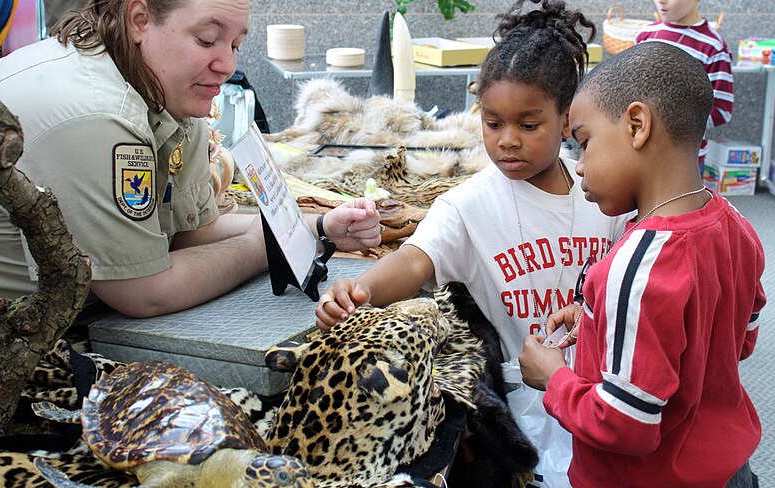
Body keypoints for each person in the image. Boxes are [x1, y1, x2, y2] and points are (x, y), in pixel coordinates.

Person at [0, 0, 381, 317]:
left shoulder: (161, 81)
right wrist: (265, 245)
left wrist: (316, 226)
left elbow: (193, 231)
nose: (228, 65)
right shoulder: (97, 114)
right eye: (207, 39)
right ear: (139, 19)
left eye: (236, 44)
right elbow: (145, 293)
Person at [316, 0, 628, 375]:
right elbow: (415, 261)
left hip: (609, 390)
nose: (507, 140)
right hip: (524, 403)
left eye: (528, 125)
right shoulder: (467, 205)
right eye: (494, 124)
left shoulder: (603, 195)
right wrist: (358, 289)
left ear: (566, 121)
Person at [519, 42, 765, 487]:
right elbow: (737, 337)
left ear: (636, 125)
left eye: (584, 142)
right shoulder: (735, 225)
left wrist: (553, 378)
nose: (578, 166)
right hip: (730, 469)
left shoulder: (636, 266)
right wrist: (598, 321)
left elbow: (623, 423)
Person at [636, 0, 733, 169]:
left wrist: (671, 122)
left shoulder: (713, 46)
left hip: (685, 161)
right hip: (640, 152)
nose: (661, 1)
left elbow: (722, 109)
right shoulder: (646, 34)